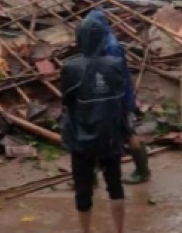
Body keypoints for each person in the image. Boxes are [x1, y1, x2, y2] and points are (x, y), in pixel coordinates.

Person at [61, 16, 128, 233]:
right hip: (110, 135)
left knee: (83, 189)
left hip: (81, 136)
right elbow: (120, 99)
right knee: (115, 186)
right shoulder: (116, 64)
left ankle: (86, 231)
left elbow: (68, 102)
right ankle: (119, 230)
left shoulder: (71, 68)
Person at [85, 8, 151, 184]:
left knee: (127, 133)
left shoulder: (111, 47)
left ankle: (142, 171)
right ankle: (90, 175)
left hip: (116, 98)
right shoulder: (100, 42)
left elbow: (116, 77)